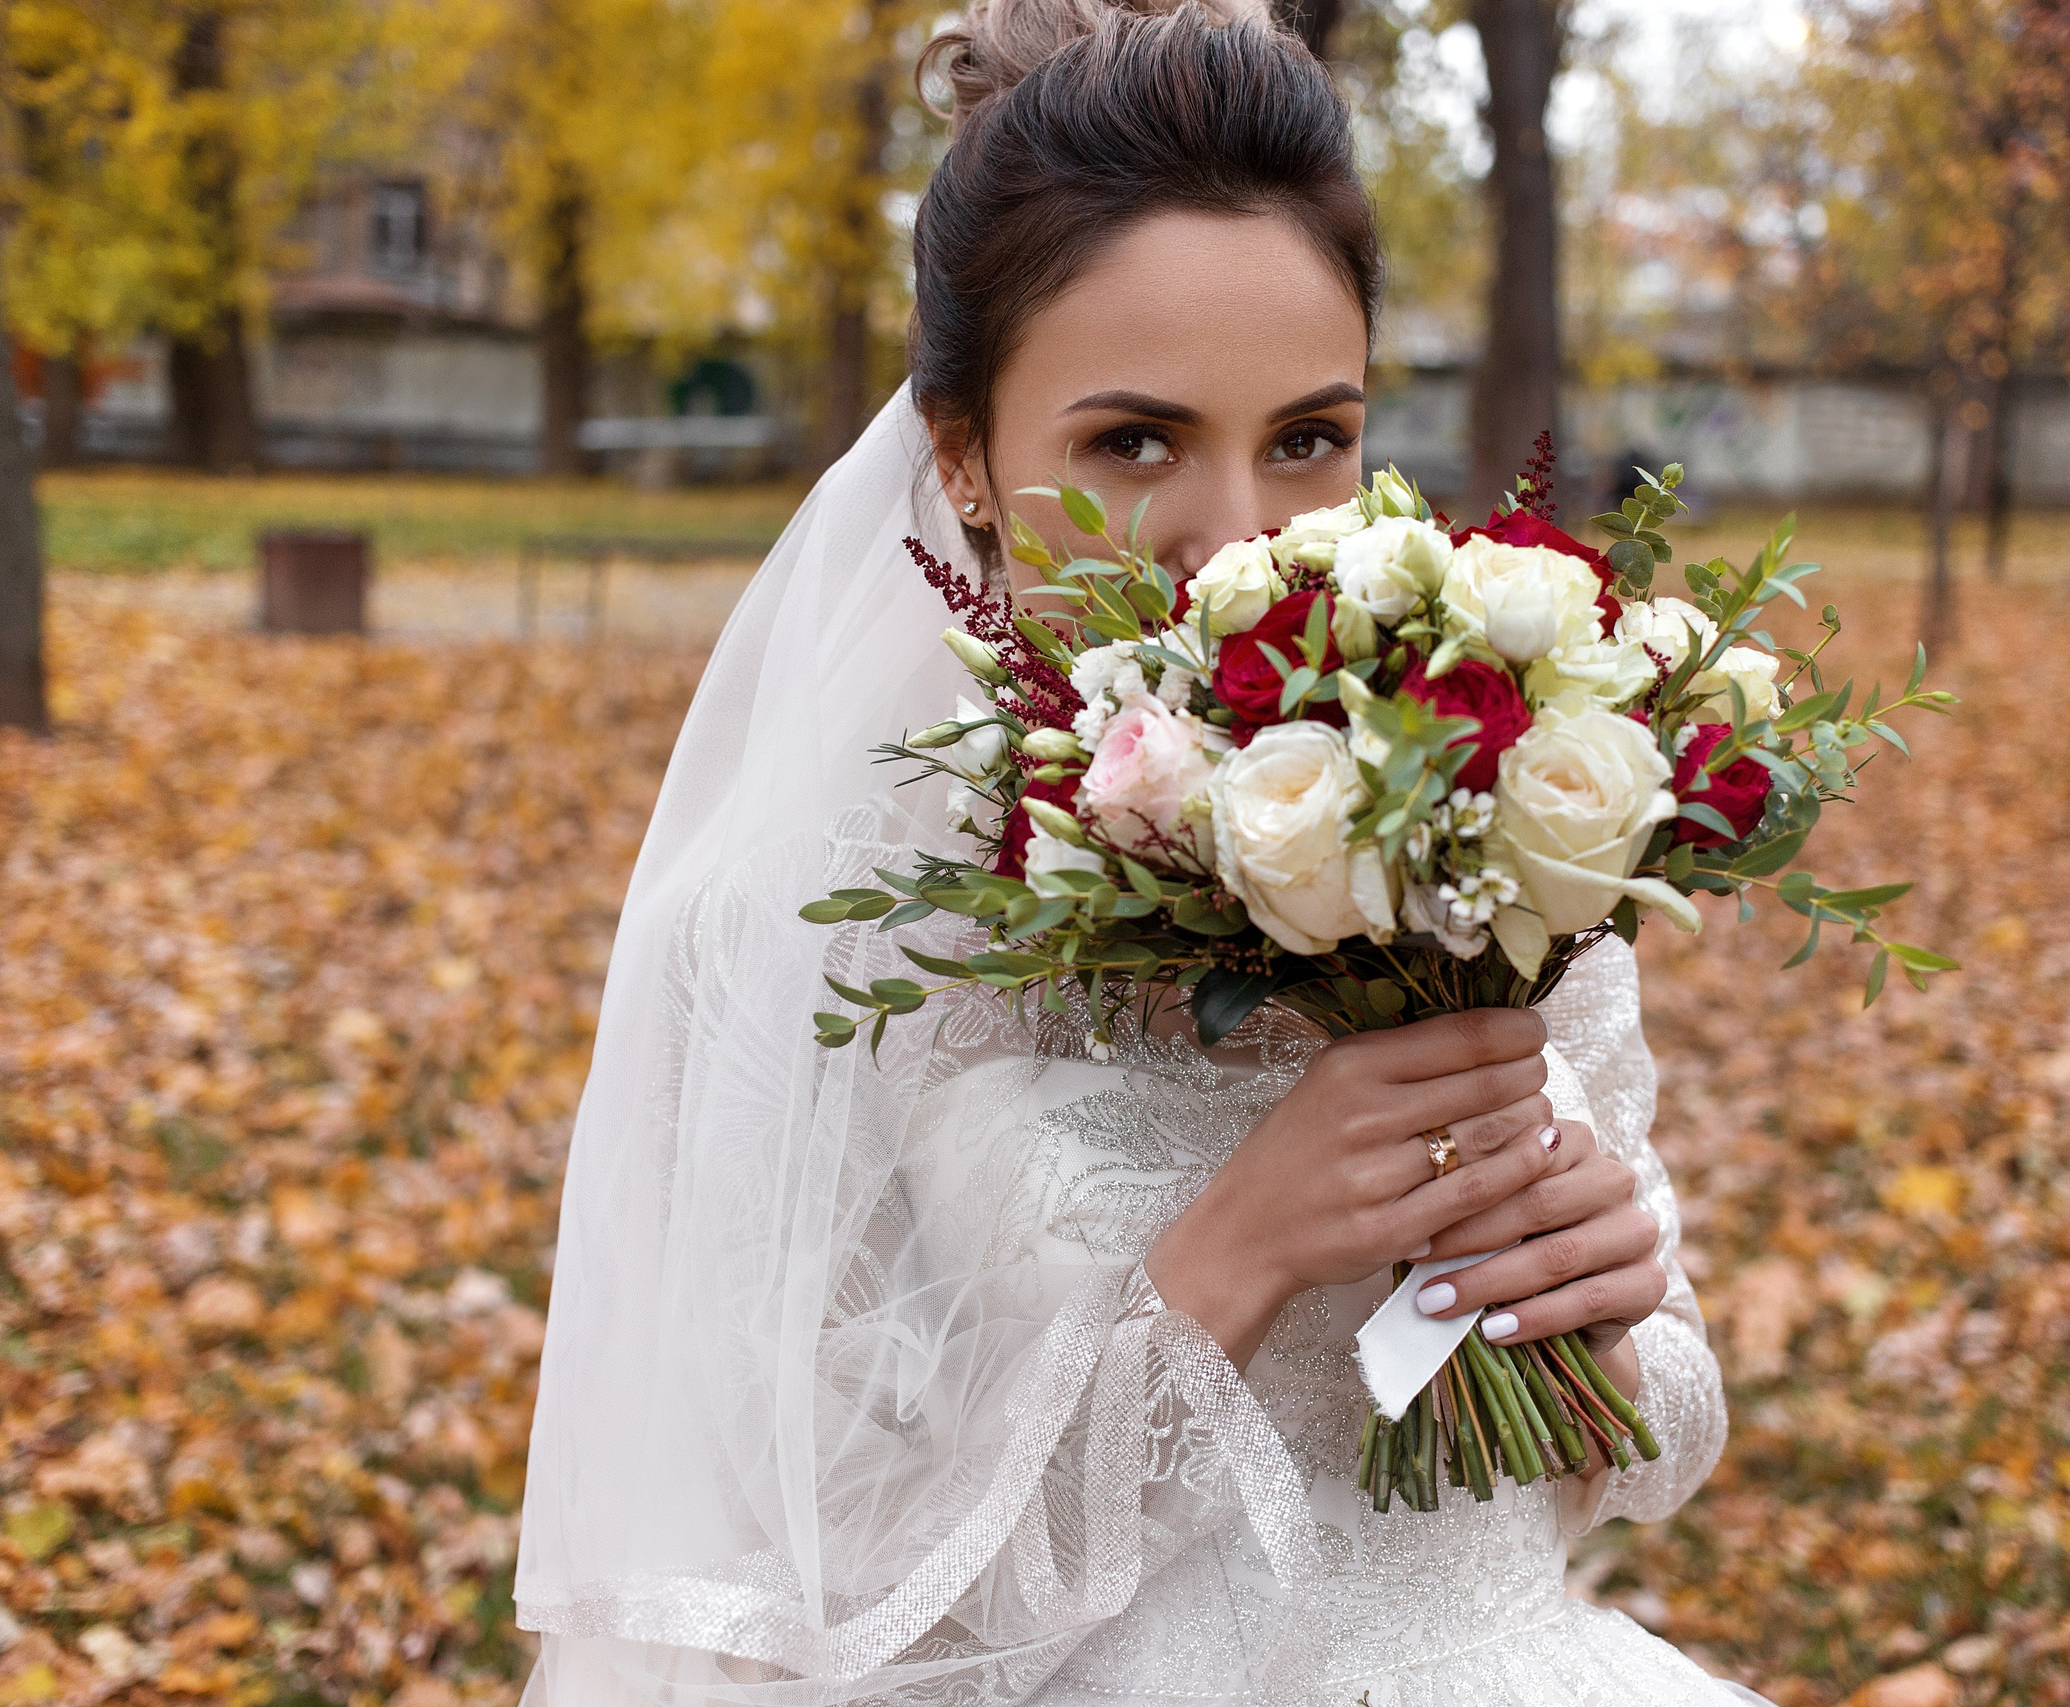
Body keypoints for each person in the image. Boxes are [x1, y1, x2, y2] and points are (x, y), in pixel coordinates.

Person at [513, 5, 1754, 1703]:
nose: (1241, 531)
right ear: (960, 456)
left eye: (1308, 436)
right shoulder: (812, 929)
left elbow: (1657, 1438)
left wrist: (1612, 1313)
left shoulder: (1489, 827)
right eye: (1134, 442)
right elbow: (787, 1621)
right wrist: (1231, 1253)